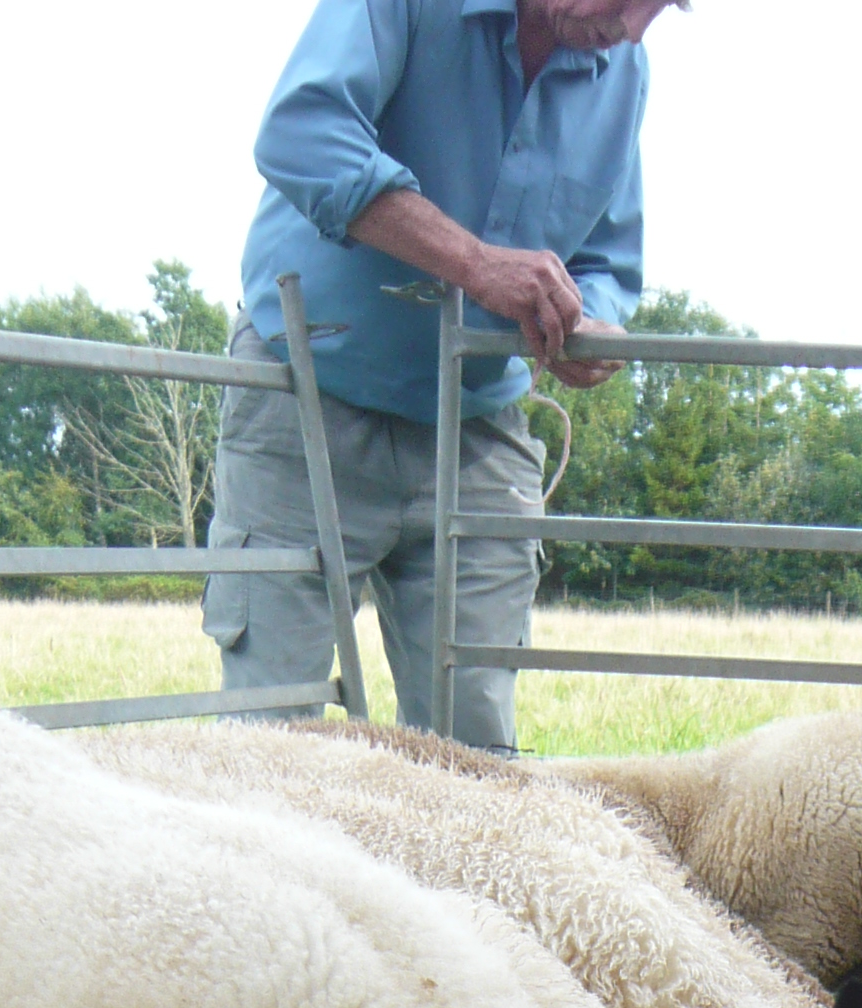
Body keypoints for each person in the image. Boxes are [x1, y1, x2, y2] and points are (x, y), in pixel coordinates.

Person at [208, 0, 684, 751]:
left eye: (663, 8)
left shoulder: (623, 72)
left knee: (476, 757)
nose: (633, 29)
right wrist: (476, 267)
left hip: (478, 424)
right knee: (268, 738)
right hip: (308, 401)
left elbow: (607, 262)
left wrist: (587, 323)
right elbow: (303, 134)